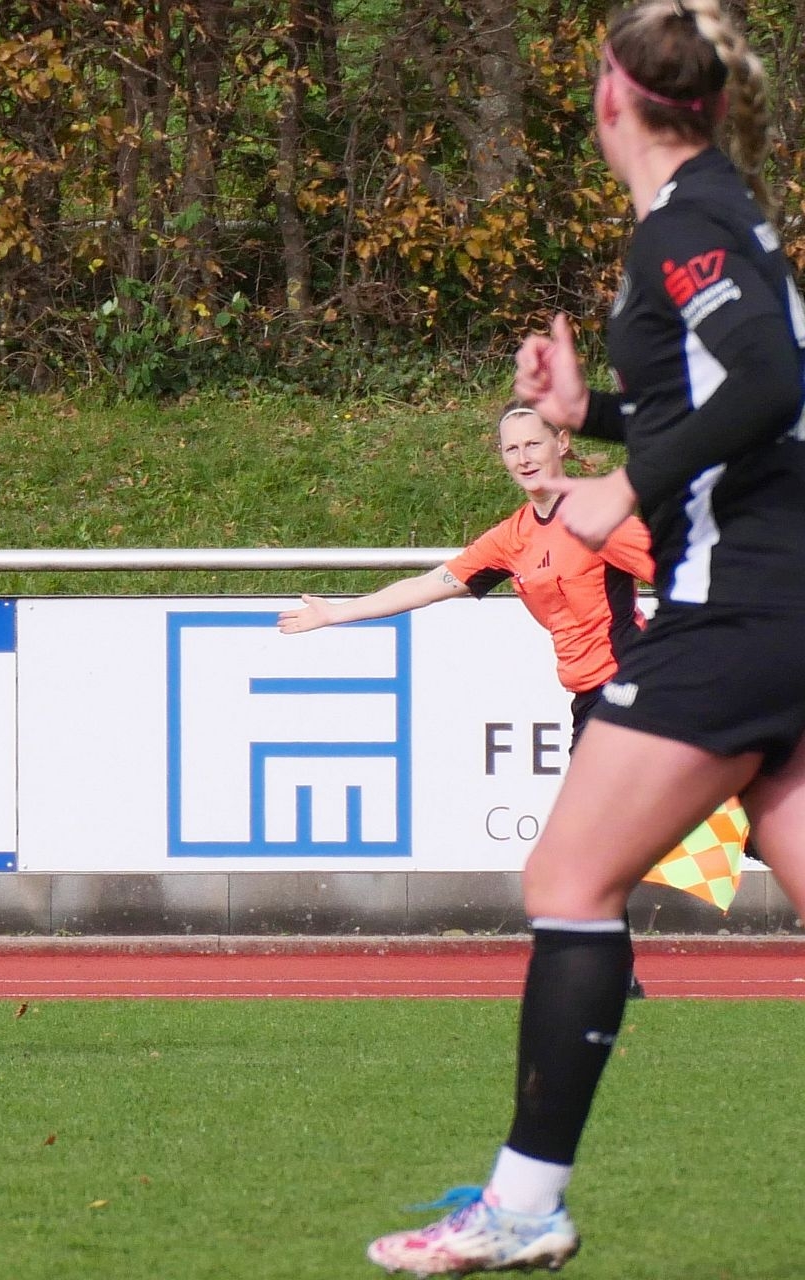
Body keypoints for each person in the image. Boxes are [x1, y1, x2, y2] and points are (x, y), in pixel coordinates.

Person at [366, 1, 805, 1272]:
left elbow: (774, 385)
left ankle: (522, 1203)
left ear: (611, 94)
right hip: (782, 598)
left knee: (567, 882)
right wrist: (599, 411)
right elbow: (741, 392)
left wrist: (623, 485)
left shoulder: (686, 223)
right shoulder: (725, 210)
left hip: (736, 607)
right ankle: (520, 1203)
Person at [279, 403, 654, 750]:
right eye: (512, 449)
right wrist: (335, 613)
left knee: (594, 819)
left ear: (561, 443)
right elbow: (425, 587)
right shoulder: (512, 538)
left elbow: (688, 576)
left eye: (533, 444)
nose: (523, 459)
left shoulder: (598, 517)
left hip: (632, 688)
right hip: (590, 699)